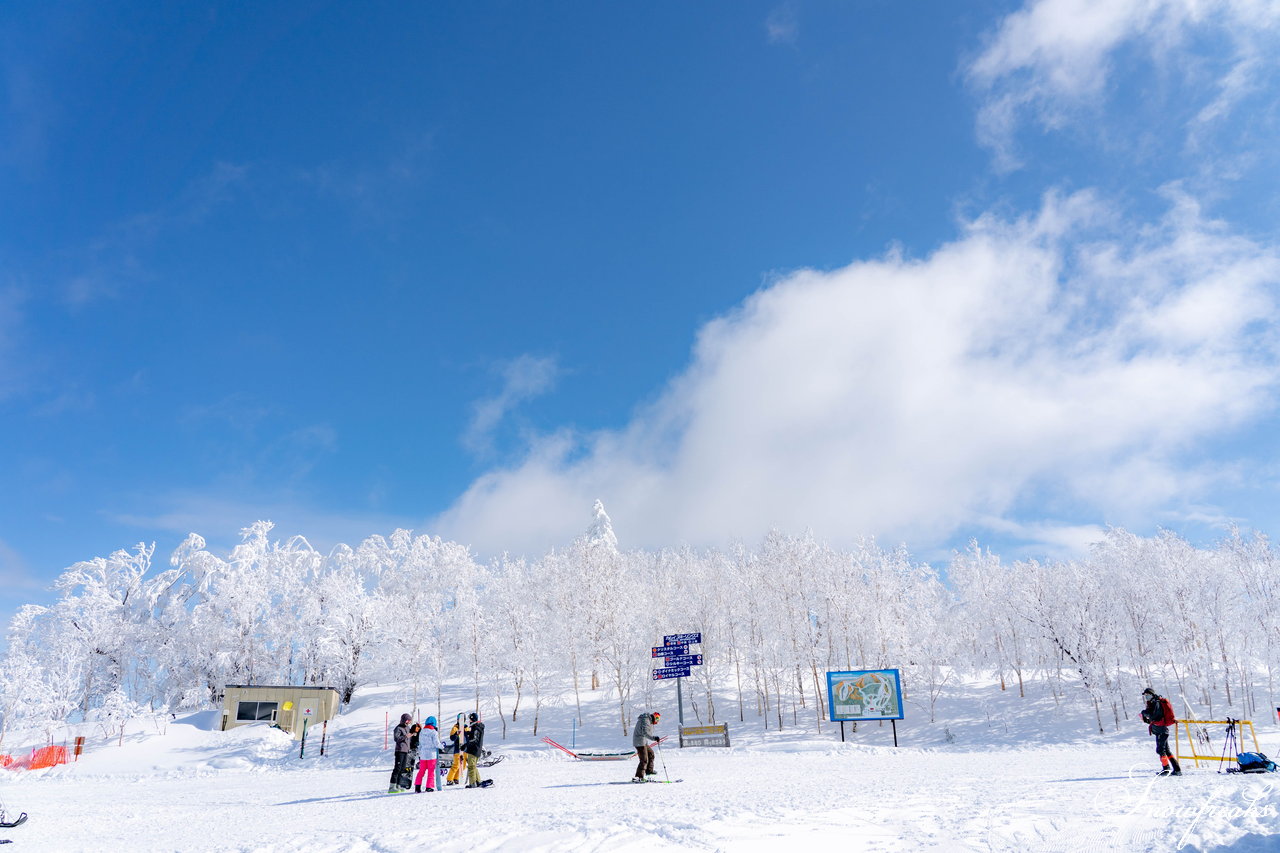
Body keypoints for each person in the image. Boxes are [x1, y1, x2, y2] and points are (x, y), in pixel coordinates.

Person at [1140, 687, 1181, 776]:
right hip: (1160, 730)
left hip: (1161, 731)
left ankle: (1166, 769)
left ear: (1151, 694)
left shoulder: (1156, 703)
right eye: (1145, 695)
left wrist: (1144, 713)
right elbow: (1153, 719)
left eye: (1147, 695)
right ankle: (1177, 770)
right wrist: (1145, 716)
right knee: (1166, 751)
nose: (1146, 697)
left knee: (1160, 750)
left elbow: (1155, 716)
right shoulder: (1152, 703)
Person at [413, 716, 443, 793]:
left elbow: (420, 744)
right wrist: (442, 747)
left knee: (421, 771)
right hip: (431, 755)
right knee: (431, 771)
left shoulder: (422, 732)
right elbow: (436, 744)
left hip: (423, 755)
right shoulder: (433, 732)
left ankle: (417, 786)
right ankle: (429, 787)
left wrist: (420, 754)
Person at [631, 711, 661, 782]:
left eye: (658, 719)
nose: (657, 721)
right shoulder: (646, 720)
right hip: (639, 742)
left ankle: (649, 771)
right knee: (644, 760)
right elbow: (645, 732)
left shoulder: (647, 720)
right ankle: (638, 777)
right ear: (654, 716)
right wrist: (654, 738)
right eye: (657, 718)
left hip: (643, 742)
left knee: (651, 754)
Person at [388, 712, 413, 793]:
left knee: (402, 769)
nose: (408, 722)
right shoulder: (398, 728)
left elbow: (409, 738)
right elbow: (396, 738)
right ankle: (392, 786)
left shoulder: (407, 728)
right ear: (404, 720)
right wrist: (406, 736)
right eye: (408, 720)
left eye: (409, 721)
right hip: (400, 750)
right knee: (397, 768)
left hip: (406, 750)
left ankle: (398, 785)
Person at [463, 712, 486, 788]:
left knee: (471, 766)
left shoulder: (476, 727)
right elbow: (475, 735)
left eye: (470, 719)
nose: (469, 721)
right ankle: (478, 781)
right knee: (474, 766)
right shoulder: (477, 727)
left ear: (472, 719)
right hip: (477, 749)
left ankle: (472, 783)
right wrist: (468, 732)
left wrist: (466, 745)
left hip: (473, 750)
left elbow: (474, 739)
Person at [445, 714, 466, 786]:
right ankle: (449, 779)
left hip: (465, 749)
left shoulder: (466, 728)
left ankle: (456, 778)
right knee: (456, 765)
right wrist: (456, 734)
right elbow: (452, 738)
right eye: (459, 720)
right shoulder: (455, 728)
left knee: (463, 766)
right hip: (457, 749)